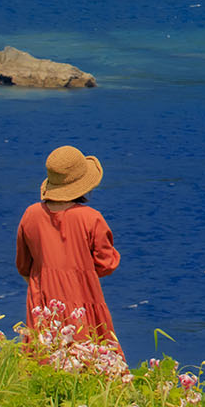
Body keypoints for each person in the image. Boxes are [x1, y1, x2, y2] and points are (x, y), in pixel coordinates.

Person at [15, 144, 122, 352]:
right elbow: (107, 264)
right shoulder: (91, 218)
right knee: (92, 360)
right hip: (83, 299)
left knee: (43, 361)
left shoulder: (31, 215)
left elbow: (23, 266)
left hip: (42, 301)